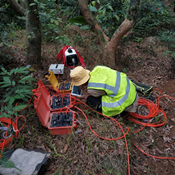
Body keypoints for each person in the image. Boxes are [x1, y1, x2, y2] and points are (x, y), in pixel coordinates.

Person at [70, 65, 139, 117]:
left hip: (127, 102)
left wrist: (85, 97)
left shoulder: (91, 89)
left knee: (90, 100)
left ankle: (115, 114)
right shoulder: (98, 68)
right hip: (131, 89)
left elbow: (97, 95)